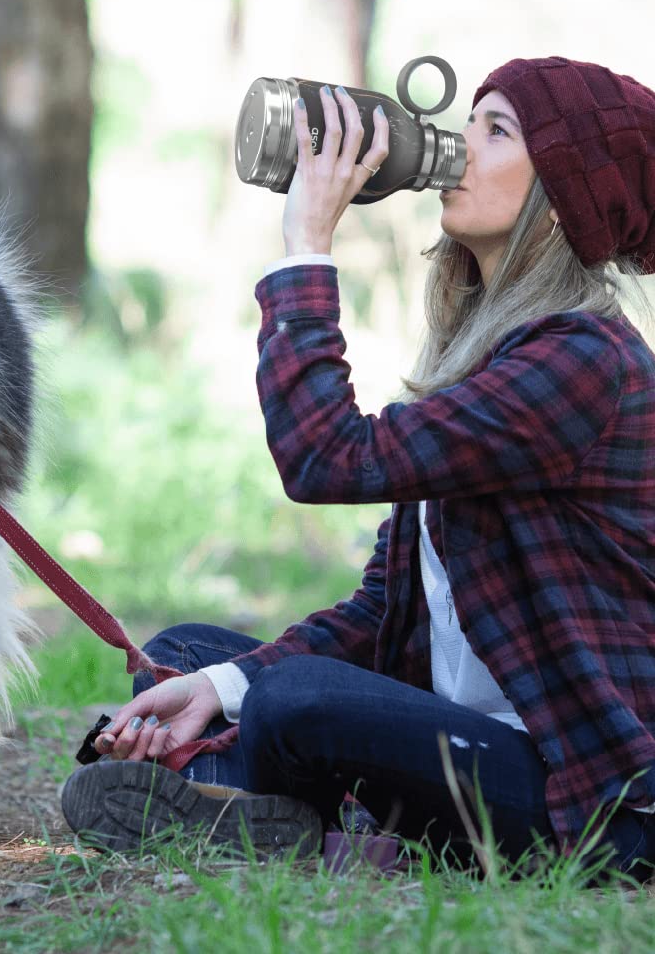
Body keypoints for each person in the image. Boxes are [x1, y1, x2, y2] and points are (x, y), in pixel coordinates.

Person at [61, 57, 655, 886]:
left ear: (567, 197)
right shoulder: (489, 355)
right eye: (471, 119)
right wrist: (215, 683)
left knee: (293, 700)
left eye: (497, 130)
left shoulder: (583, 361)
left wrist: (308, 245)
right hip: (459, 732)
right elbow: (384, 611)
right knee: (180, 656)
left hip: (579, 794)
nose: (459, 145)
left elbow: (325, 457)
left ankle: (262, 802)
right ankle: (267, 807)